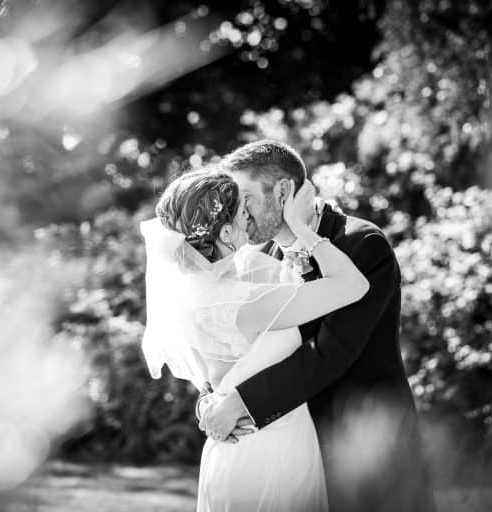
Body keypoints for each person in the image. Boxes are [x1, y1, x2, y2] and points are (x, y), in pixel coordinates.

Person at [197, 139, 437, 512]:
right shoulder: (256, 258)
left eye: (244, 197)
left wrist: (242, 403)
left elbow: (329, 352)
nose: (234, 211)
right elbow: (235, 343)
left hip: (363, 437)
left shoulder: (363, 245)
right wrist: (213, 401)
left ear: (282, 192)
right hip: (292, 447)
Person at [141, 168, 369, 511]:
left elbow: (218, 380)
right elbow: (353, 285)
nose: (251, 221)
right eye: (243, 214)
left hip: (234, 453)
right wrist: (303, 227)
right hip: (271, 459)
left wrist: (206, 403)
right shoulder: (246, 303)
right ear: (228, 231)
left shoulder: (192, 299)